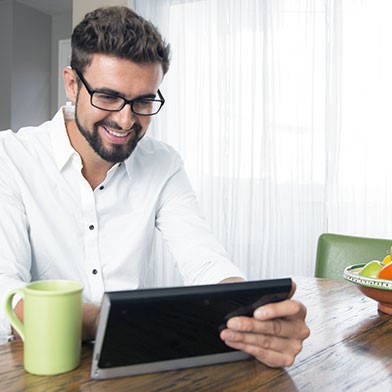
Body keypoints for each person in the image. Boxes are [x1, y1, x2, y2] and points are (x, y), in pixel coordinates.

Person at [0, 6, 309, 367]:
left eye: (144, 100)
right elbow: (6, 288)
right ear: (72, 84)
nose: (125, 119)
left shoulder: (163, 163)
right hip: (32, 366)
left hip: (134, 361)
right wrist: (105, 320)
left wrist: (249, 319)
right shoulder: (11, 157)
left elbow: (205, 260)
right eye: (108, 97)